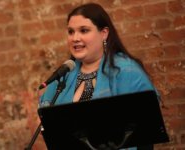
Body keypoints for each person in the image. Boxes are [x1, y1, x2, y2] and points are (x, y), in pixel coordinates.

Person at [39, 3, 157, 150]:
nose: (75, 38)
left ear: (104, 33)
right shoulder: (64, 76)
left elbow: (146, 132)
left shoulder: (127, 71)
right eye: (71, 32)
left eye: (84, 30)